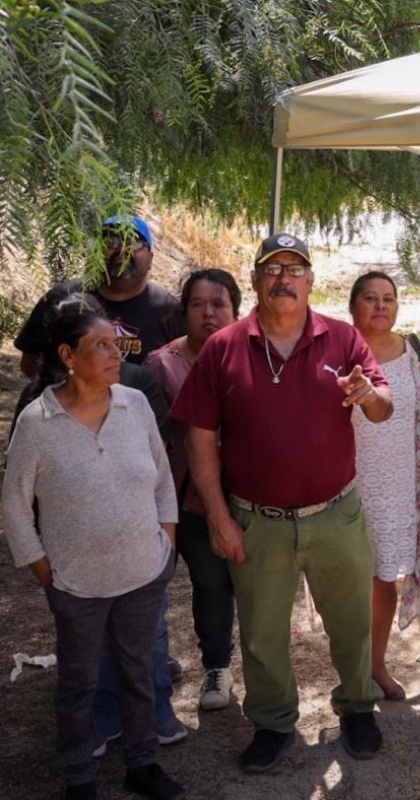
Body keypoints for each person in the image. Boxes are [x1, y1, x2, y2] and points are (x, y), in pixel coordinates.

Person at [171, 232, 393, 773]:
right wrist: (220, 517)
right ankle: (272, 722)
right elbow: (199, 437)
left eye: (295, 270)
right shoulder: (224, 347)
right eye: (273, 270)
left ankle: (358, 706)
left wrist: (369, 395)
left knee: (351, 623)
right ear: (255, 281)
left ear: (312, 282)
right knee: (263, 632)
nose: (284, 279)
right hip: (257, 520)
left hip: (336, 514)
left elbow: (383, 405)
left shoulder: (342, 340)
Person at [2, 296, 184, 800]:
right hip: (75, 585)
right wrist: (43, 570)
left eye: (116, 344)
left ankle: (142, 765)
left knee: (139, 674)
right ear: (66, 355)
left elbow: (162, 479)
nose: (115, 354)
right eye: (100, 345)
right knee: (78, 686)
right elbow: (14, 506)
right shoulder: (37, 424)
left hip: (143, 574)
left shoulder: (136, 404)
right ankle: (79, 776)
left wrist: (165, 538)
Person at [143, 269, 242, 713]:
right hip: (180, 499)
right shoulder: (161, 365)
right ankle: (189, 665)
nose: (208, 314)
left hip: (238, 496)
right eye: (198, 305)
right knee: (183, 583)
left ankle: (234, 666)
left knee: (229, 584)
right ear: (184, 312)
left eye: (218, 304)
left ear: (236, 311)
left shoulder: (252, 359)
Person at [347, 270, 420, 703]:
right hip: (346, 482)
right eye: (370, 297)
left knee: (385, 579)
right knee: (345, 582)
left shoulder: (416, 353)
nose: (381, 305)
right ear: (353, 306)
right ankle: (349, 668)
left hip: (400, 483)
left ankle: (376, 665)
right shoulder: (336, 351)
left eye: (389, 298)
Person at [15, 215, 180, 377]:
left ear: (150, 259)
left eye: (134, 242)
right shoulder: (62, 298)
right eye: (111, 241)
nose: (122, 249)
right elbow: (30, 364)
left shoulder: (170, 311)